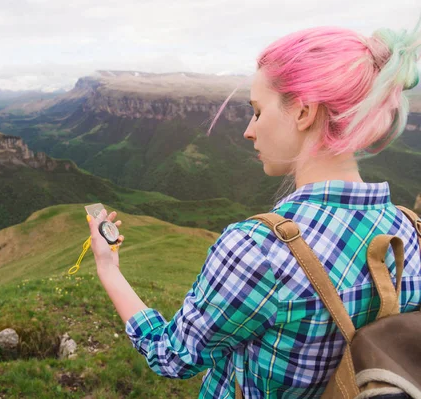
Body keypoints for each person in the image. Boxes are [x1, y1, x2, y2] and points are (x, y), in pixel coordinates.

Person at [86, 17, 421, 398]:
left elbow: (172, 356)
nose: (249, 129)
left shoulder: (258, 249)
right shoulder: (412, 234)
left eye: (258, 111)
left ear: (303, 112)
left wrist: (108, 268)